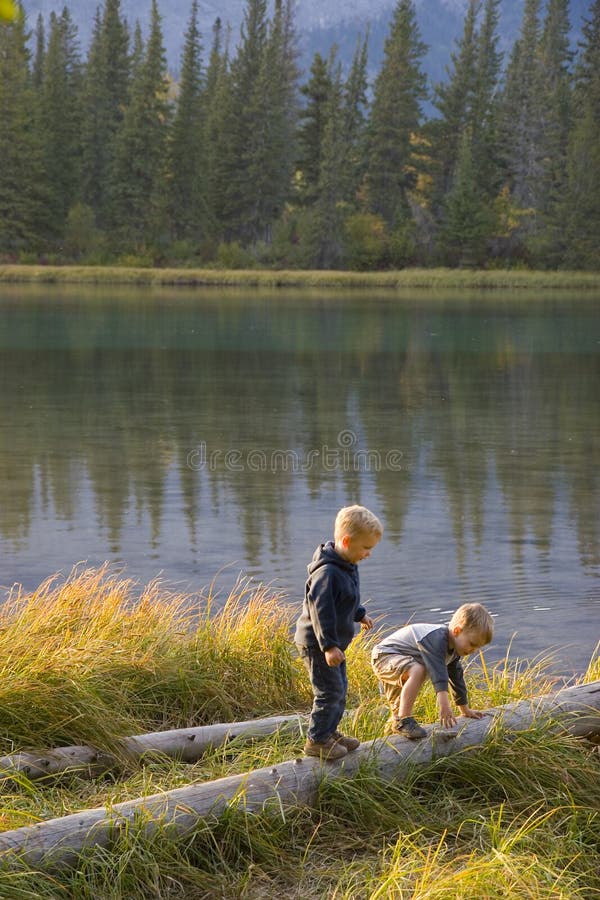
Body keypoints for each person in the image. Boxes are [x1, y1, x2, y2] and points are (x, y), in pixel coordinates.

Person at [295, 505, 383, 760]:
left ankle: (329, 731)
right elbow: (321, 612)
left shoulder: (346, 563)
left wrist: (359, 613)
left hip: (332, 645)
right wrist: (329, 646)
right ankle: (316, 740)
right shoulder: (327, 573)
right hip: (317, 644)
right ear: (346, 541)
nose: (368, 554)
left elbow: (346, 597)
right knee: (328, 691)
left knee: (340, 688)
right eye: (366, 548)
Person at [371, 602, 493, 739]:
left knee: (397, 711)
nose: (474, 650)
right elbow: (438, 672)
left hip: (400, 663)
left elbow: (456, 678)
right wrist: (444, 704)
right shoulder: (437, 638)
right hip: (385, 656)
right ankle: (405, 720)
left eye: (478, 647)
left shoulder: (453, 651)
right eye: (472, 644)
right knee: (418, 670)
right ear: (457, 631)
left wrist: (464, 709)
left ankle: (389, 736)